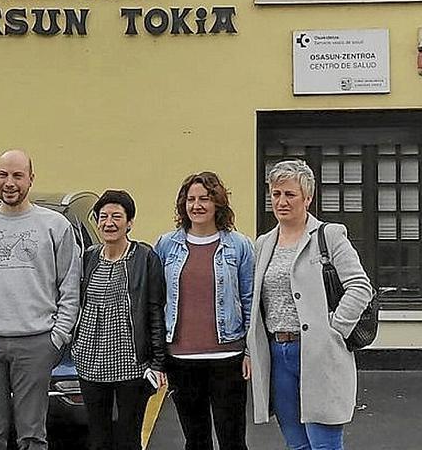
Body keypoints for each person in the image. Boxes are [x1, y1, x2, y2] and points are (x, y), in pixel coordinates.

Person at [0, 149, 81, 450]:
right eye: (3, 175)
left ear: (31, 179)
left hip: (36, 342)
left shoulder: (55, 226)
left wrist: (57, 337)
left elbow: (69, 288)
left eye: (18, 175)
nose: (10, 182)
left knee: (33, 437)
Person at [246, 159, 374, 450]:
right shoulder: (264, 243)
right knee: (297, 445)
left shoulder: (329, 236)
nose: (281, 201)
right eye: (276, 194)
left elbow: (360, 286)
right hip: (278, 354)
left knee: (324, 444)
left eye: (290, 194)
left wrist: (335, 330)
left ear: (307, 197)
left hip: (318, 352)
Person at [154, 171, 254, 450]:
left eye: (205, 199)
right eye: (191, 199)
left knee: (232, 440)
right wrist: (158, 357)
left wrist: (249, 351)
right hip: (181, 360)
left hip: (227, 357)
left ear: (218, 204)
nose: (196, 205)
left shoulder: (239, 245)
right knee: (195, 440)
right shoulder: (166, 245)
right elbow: (157, 301)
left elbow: (249, 300)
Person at [72, 189, 167, 450]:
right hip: (90, 362)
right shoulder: (89, 257)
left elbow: (155, 311)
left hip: (130, 364)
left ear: (129, 223)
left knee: (128, 437)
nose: (109, 223)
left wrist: (158, 362)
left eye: (116, 216)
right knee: (98, 437)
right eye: (103, 217)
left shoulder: (145, 258)